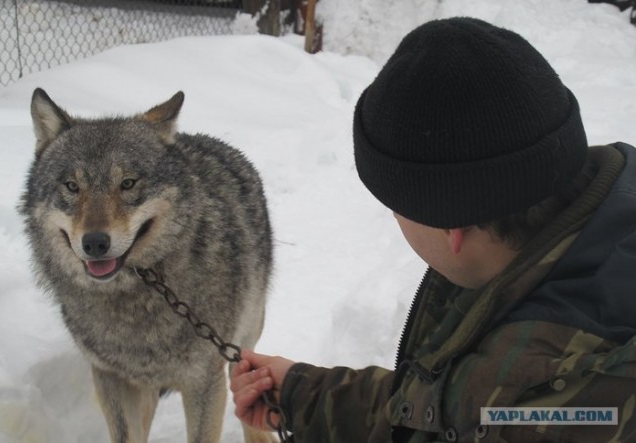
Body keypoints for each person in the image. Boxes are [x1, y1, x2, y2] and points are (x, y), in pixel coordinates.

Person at [230, 17, 636, 442]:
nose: (394, 217)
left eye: (396, 205)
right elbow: (454, 412)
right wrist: (306, 395)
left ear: (451, 228)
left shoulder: (557, 403)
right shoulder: (569, 231)